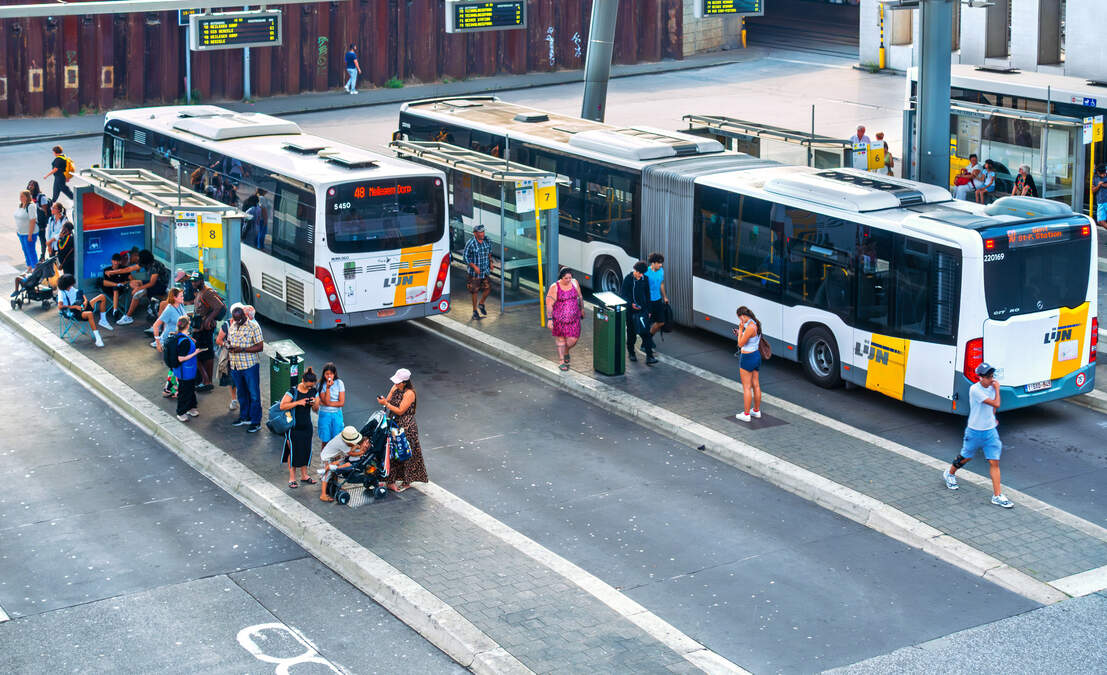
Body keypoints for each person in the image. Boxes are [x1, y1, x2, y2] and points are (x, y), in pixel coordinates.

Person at [942, 362, 1014, 508]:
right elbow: (996, 404)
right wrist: (998, 390)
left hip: (990, 432)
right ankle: (949, 473)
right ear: (980, 378)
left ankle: (997, 495)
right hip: (974, 431)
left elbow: (993, 409)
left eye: (992, 376)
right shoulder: (975, 389)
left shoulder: (991, 388)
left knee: (994, 462)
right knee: (966, 457)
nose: (991, 379)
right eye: (988, 377)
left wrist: (993, 419)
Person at [377, 368, 427, 492]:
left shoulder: (410, 393)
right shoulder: (395, 388)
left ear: (404, 382)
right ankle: (391, 480)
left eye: (398, 382)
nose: (396, 384)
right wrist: (384, 401)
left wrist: (386, 404)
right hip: (393, 423)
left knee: (405, 453)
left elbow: (400, 410)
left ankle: (406, 480)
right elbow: (387, 400)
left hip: (406, 426)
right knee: (392, 453)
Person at [279, 367, 319, 489]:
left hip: (307, 426)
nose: (309, 388)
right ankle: (292, 478)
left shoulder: (313, 390)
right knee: (293, 451)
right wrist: (298, 402)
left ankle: (304, 475)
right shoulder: (293, 391)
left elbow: (316, 410)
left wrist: (314, 403)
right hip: (293, 427)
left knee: (306, 450)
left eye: (311, 386)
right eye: (307, 386)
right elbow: (282, 406)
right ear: (303, 381)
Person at [227, 304, 265, 432]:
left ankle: (255, 421)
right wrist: (229, 346)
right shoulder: (233, 326)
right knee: (241, 393)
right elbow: (228, 340)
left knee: (254, 394)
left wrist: (242, 349)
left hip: (249, 366)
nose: (237, 322)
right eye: (235, 319)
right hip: (235, 365)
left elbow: (260, 347)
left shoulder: (253, 327)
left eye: (239, 319)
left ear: (244, 315)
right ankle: (244, 416)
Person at [190, 272, 224, 392]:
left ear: (202, 280)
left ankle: (206, 380)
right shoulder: (200, 291)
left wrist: (208, 320)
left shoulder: (207, 292)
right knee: (204, 354)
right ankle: (205, 380)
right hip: (199, 328)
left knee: (199, 354)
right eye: (192, 281)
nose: (193, 283)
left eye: (196, 281)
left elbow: (219, 306)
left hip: (204, 330)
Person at [545, 268, 584, 371]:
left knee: (573, 340)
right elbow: (549, 303)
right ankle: (561, 361)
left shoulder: (574, 283)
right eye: (566, 278)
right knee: (561, 340)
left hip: (574, 319)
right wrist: (549, 319)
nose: (568, 280)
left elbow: (579, 296)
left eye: (570, 278)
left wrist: (582, 308)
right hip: (559, 320)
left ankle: (566, 351)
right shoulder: (555, 287)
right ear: (561, 278)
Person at [57, 273, 111, 347]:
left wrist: (85, 300)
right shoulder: (62, 293)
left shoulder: (71, 288)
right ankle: (98, 338)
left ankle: (103, 320)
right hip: (73, 312)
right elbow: (60, 306)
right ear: (66, 284)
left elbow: (80, 293)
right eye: (71, 284)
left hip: (81, 306)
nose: (72, 286)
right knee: (89, 314)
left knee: (102, 296)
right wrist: (75, 307)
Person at [116, 250, 168, 325]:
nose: (137, 258)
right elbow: (130, 269)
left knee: (136, 295)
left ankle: (128, 317)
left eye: (139, 257)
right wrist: (114, 272)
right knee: (133, 282)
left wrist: (138, 288)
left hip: (160, 285)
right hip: (155, 283)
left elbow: (152, 283)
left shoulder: (155, 266)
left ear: (144, 258)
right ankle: (142, 291)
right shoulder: (147, 263)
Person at [318, 426, 368, 502]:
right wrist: (361, 452)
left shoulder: (342, 437)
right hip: (327, 457)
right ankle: (323, 495)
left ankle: (335, 485)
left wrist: (355, 447)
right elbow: (351, 453)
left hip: (334, 455)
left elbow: (350, 449)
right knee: (327, 475)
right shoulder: (342, 443)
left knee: (335, 473)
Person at [620, 261, 657, 365]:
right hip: (630, 311)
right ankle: (631, 353)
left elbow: (648, 295)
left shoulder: (645, 279)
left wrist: (649, 310)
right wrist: (630, 304)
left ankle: (650, 356)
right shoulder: (628, 279)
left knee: (645, 333)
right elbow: (623, 295)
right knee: (631, 333)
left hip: (642, 311)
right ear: (635, 271)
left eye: (642, 274)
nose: (641, 275)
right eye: (639, 273)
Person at [170, 315, 204, 422]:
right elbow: (181, 358)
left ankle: (191, 408)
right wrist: (195, 353)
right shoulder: (184, 340)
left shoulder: (181, 336)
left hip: (186, 370)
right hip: (185, 371)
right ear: (187, 325)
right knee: (185, 391)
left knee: (190, 389)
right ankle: (181, 412)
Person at [733, 306, 763, 422]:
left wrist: (740, 329)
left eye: (740, 319)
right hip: (756, 355)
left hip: (747, 357)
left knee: (746, 387)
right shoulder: (755, 323)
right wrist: (741, 332)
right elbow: (748, 339)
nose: (741, 321)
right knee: (756, 384)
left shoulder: (749, 327)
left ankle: (746, 414)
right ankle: (756, 411)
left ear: (742, 316)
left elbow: (740, 344)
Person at [463, 224, 494, 320]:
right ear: (475, 233)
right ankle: (474, 311)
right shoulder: (471, 243)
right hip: (474, 274)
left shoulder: (487, 240)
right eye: (480, 232)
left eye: (483, 232)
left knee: (488, 289)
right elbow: (465, 257)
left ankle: (481, 303)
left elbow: (489, 252)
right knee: (474, 292)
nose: (482, 234)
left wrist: (491, 262)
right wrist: (474, 266)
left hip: (484, 271)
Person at [317, 362, 346, 449]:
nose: (329, 376)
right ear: (323, 374)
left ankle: (334, 461)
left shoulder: (339, 383)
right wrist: (328, 388)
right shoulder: (321, 384)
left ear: (334, 374)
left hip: (336, 414)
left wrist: (328, 403)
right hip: (324, 415)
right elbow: (326, 401)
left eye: (331, 374)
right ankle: (324, 461)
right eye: (327, 374)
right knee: (325, 440)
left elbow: (341, 403)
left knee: (336, 440)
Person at [644, 252, 669, 336]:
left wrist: (665, 297)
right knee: (646, 323)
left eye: (661, 263)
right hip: (648, 302)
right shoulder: (646, 273)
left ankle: (649, 337)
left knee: (661, 322)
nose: (661, 265)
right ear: (653, 263)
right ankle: (645, 342)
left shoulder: (661, 271)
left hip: (658, 300)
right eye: (659, 263)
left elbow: (661, 284)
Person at [14, 189, 38, 271]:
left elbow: (33, 221)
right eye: (20, 196)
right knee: (25, 249)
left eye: (22, 196)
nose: (20, 198)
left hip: (29, 233)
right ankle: (29, 266)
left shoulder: (30, 206)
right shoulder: (21, 205)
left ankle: (35, 267)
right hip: (21, 233)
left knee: (31, 250)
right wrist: (18, 230)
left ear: (27, 197)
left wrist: (30, 235)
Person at [27, 180, 50, 259]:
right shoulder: (29, 197)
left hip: (40, 223)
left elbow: (45, 211)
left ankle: (42, 255)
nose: (30, 186)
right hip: (31, 222)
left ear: (35, 187)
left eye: (32, 185)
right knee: (30, 239)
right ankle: (32, 256)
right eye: (29, 185)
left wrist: (35, 207)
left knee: (42, 239)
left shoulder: (41, 197)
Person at [1092, 165, 1107, 232]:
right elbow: (1093, 190)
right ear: (1098, 172)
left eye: (1105, 173)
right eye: (1102, 173)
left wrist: (1103, 185)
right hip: (1100, 203)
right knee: (1100, 221)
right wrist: (1098, 185)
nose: (1104, 174)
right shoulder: (1095, 178)